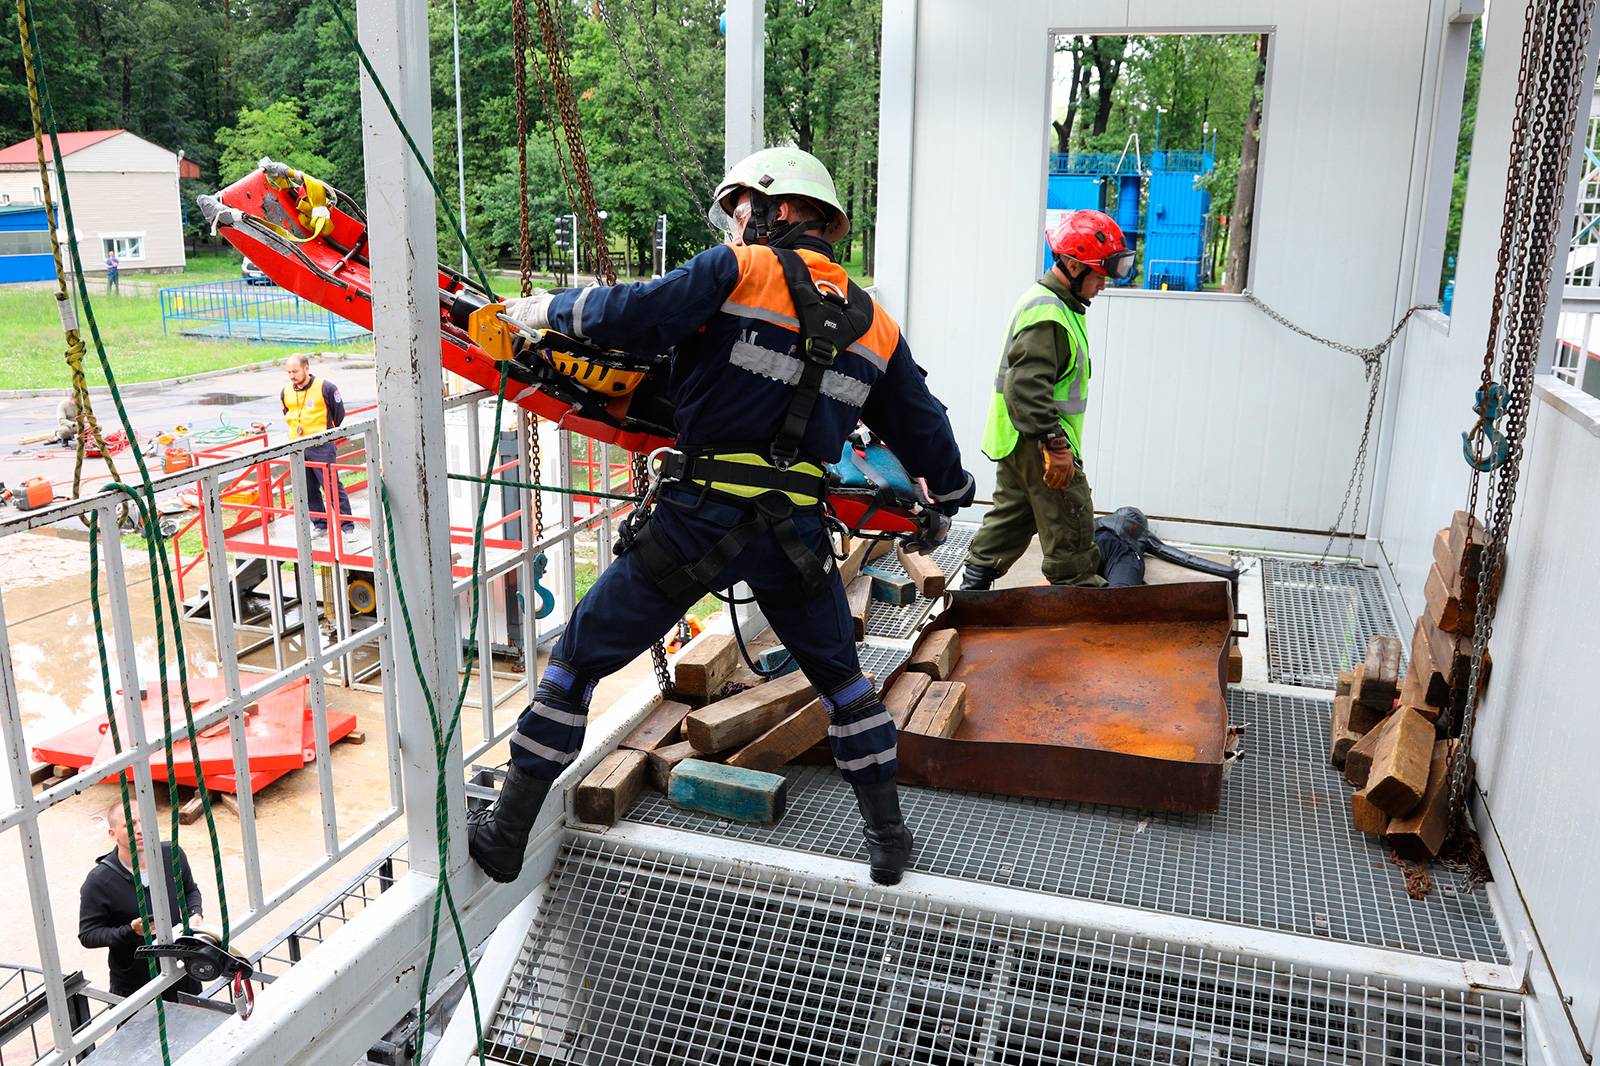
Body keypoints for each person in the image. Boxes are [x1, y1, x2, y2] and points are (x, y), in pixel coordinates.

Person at [468, 146, 974, 887]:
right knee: (845, 686)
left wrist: (543, 310)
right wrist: (952, 493)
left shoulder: (737, 270)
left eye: (741, 210)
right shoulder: (878, 325)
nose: (736, 225)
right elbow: (927, 434)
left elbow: (634, 316)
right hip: (795, 536)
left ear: (778, 209)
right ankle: (889, 843)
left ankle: (508, 831)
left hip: (694, 521)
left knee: (575, 663)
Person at [959, 210, 1134, 591]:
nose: (1103, 284)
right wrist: (1054, 444)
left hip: (1018, 439)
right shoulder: (1049, 314)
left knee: (1011, 519)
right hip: (1038, 440)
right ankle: (1080, 608)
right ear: (1072, 265)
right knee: (1072, 522)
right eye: (1099, 273)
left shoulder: (1054, 304)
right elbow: (1026, 388)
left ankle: (970, 594)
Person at [79, 801, 203, 1000]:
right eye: (130, 824)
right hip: (135, 987)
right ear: (113, 834)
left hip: (182, 971)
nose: (139, 830)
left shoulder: (172, 855)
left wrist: (195, 913)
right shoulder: (99, 881)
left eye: (143, 821)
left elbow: (190, 890)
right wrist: (129, 930)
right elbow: (88, 934)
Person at [282, 353, 358, 543]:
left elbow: (338, 413)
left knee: (331, 485)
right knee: (307, 487)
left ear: (306, 368)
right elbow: (287, 412)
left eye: (295, 371)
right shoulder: (286, 391)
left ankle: (347, 527)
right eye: (289, 372)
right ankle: (320, 523)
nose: (292, 376)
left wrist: (327, 433)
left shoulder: (326, 387)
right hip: (298, 446)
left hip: (321, 444)